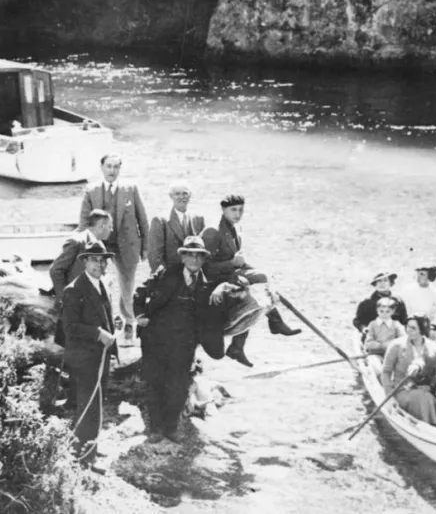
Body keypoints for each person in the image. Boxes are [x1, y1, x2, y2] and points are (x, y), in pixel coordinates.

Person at [132, 236, 242, 440]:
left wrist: (222, 288)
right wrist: (140, 316)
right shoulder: (166, 273)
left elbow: (237, 285)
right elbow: (139, 293)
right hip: (156, 339)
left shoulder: (208, 281)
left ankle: (171, 427)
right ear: (182, 257)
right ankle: (155, 429)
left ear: (203, 259)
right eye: (189, 255)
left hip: (185, 343)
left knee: (180, 385)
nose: (194, 260)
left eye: (198, 256)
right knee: (155, 383)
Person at [201, 194, 301, 367]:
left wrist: (248, 267)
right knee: (256, 284)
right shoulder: (213, 231)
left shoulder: (235, 229)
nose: (237, 214)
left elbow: (239, 262)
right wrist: (233, 263)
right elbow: (204, 267)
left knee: (262, 280)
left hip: (231, 275)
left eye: (240, 210)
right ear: (223, 210)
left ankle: (240, 346)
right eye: (233, 210)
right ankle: (274, 323)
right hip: (214, 281)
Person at [78, 153, 149, 338]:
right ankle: (106, 320)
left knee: (127, 283)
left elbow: (143, 219)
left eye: (116, 167)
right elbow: (83, 222)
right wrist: (82, 247)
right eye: (109, 166)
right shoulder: (91, 190)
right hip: (101, 244)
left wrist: (145, 247)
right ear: (102, 168)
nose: (112, 171)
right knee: (98, 281)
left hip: (127, 243)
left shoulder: (131, 189)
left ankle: (128, 320)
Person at [60, 241, 117, 466]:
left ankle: (91, 447)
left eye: (103, 260)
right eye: (94, 259)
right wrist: (97, 333)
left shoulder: (103, 284)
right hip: (84, 359)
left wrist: (113, 326)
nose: (99, 264)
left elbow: (104, 315)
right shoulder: (74, 289)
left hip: (100, 356)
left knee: (98, 403)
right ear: (85, 262)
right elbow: (70, 327)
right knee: (88, 405)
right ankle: (82, 456)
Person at [379, 315, 436, 425]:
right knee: (422, 398)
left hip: (425, 390)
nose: (408, 330)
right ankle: (428, 426)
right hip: (402, 390)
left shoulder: (433, 347)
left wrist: (430, 386)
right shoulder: (396, 345)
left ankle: (430, 427)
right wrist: (389, 396)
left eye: (413, 328)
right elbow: (386, 372)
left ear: (422, 330)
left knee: (428, 398)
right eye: (407, 327)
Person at [49, 209, 113, 297]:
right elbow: (55, 270)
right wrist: (64, 297)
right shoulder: (76, 242)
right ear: (101, 226)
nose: (111, 230)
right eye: (110, 226)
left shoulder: (100, 245)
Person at [147, 181, 205, 273]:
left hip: (193, 273)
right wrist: (164, 277)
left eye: (185, 194)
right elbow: (155, 256)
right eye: (177, 194)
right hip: (169, 274)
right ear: (171, 196)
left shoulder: (198, 220)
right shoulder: (161, 221)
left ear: (190, 195)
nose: (181, 197)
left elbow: (202, 252)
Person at [364, 297, 406, 379]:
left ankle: (395, 381)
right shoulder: (372, 325)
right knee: (375, 364)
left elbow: (403, 340)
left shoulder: (396, 324)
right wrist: (384, 345)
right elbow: (369, 344)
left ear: (393, 312)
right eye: (381, 311)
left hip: (392, 355)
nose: (384, 314)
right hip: (375, 354)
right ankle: (381, 379)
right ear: (377, 310)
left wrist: (392, 345)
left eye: (388, 312)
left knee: (400, 365)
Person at [400, 266, 436, 335]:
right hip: (409, 324)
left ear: (430, 276)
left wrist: (431, 325)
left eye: (422, 274)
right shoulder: (407, 290)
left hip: (428, 326)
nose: (418, 276)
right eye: (418, 274)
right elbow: (405, 310)